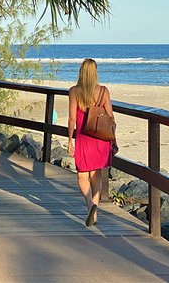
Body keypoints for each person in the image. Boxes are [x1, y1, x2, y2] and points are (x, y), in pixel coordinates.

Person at [67, 58, 115, 227]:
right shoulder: (103, 91)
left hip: (82, 138)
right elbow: (110, 116)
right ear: (95, 73)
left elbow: (72, 118)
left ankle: (90, 205)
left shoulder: (74, 91)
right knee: (96, 176)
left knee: (82, 175)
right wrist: (113, 137)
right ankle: (94, 205)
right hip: (100, 139)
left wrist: (69, 141)